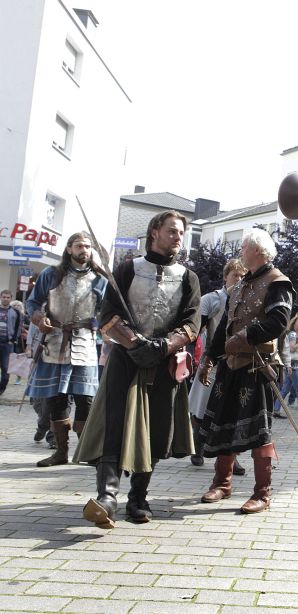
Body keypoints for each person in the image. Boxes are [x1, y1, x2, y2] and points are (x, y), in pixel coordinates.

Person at [74, 210, 201, 529]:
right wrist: (135, 343)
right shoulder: (128, 269)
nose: (178, 237)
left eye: (181, 232)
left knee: (156, 430)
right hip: (125, 360)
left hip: (165, 362)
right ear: (154, 231)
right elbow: (109, 314)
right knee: (114, 424)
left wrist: (163, 346)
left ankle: (138, 498)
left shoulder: (188, 278)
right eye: (172, 230)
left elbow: (191, 323)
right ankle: (107, 497)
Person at [195, 229, 294, 514]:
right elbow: (224, 328)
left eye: (244, 247)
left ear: (258, 251)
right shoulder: (238, 286)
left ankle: (263, 493)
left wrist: (245, 337)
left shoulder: (278, 282)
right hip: (230, 365)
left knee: (260, 431)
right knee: (223, 422)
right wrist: (209, 358)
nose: (240, 252)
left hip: (258, 366)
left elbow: (279, 322)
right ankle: (222, 483)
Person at [25, 231, 107, 467]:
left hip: (85, 343)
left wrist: (107, 327)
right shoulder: (51, 274)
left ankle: (88, 452)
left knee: (86, 400)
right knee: (56, 400)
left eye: (88, 246)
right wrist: (39, 318)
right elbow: (32, 302)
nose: (84, 250)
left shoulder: (100, 279)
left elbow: (108, 310)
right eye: (79, 245)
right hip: (54, 341)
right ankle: (61, 452)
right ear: (69, 249)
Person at [187, 258, 247, 469]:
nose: (239, 279)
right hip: (212, 361)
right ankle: (198, 445)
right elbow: (194, 330)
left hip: (237, 363)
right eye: (235, 275)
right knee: (201, 408)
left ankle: (230, 457)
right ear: (225, 277)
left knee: (232, 411)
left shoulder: (248, 301)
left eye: (242, 276)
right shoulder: (211, 299)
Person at [0, 289, 24, 396]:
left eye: (8, 297)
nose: (6, 299)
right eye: (4, 297)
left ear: (11, 299)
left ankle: (1, 389)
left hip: (7, 344)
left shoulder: (16, 312)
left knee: (6, 369)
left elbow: (18, 327)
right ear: (0, 297)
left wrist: (13, 340)